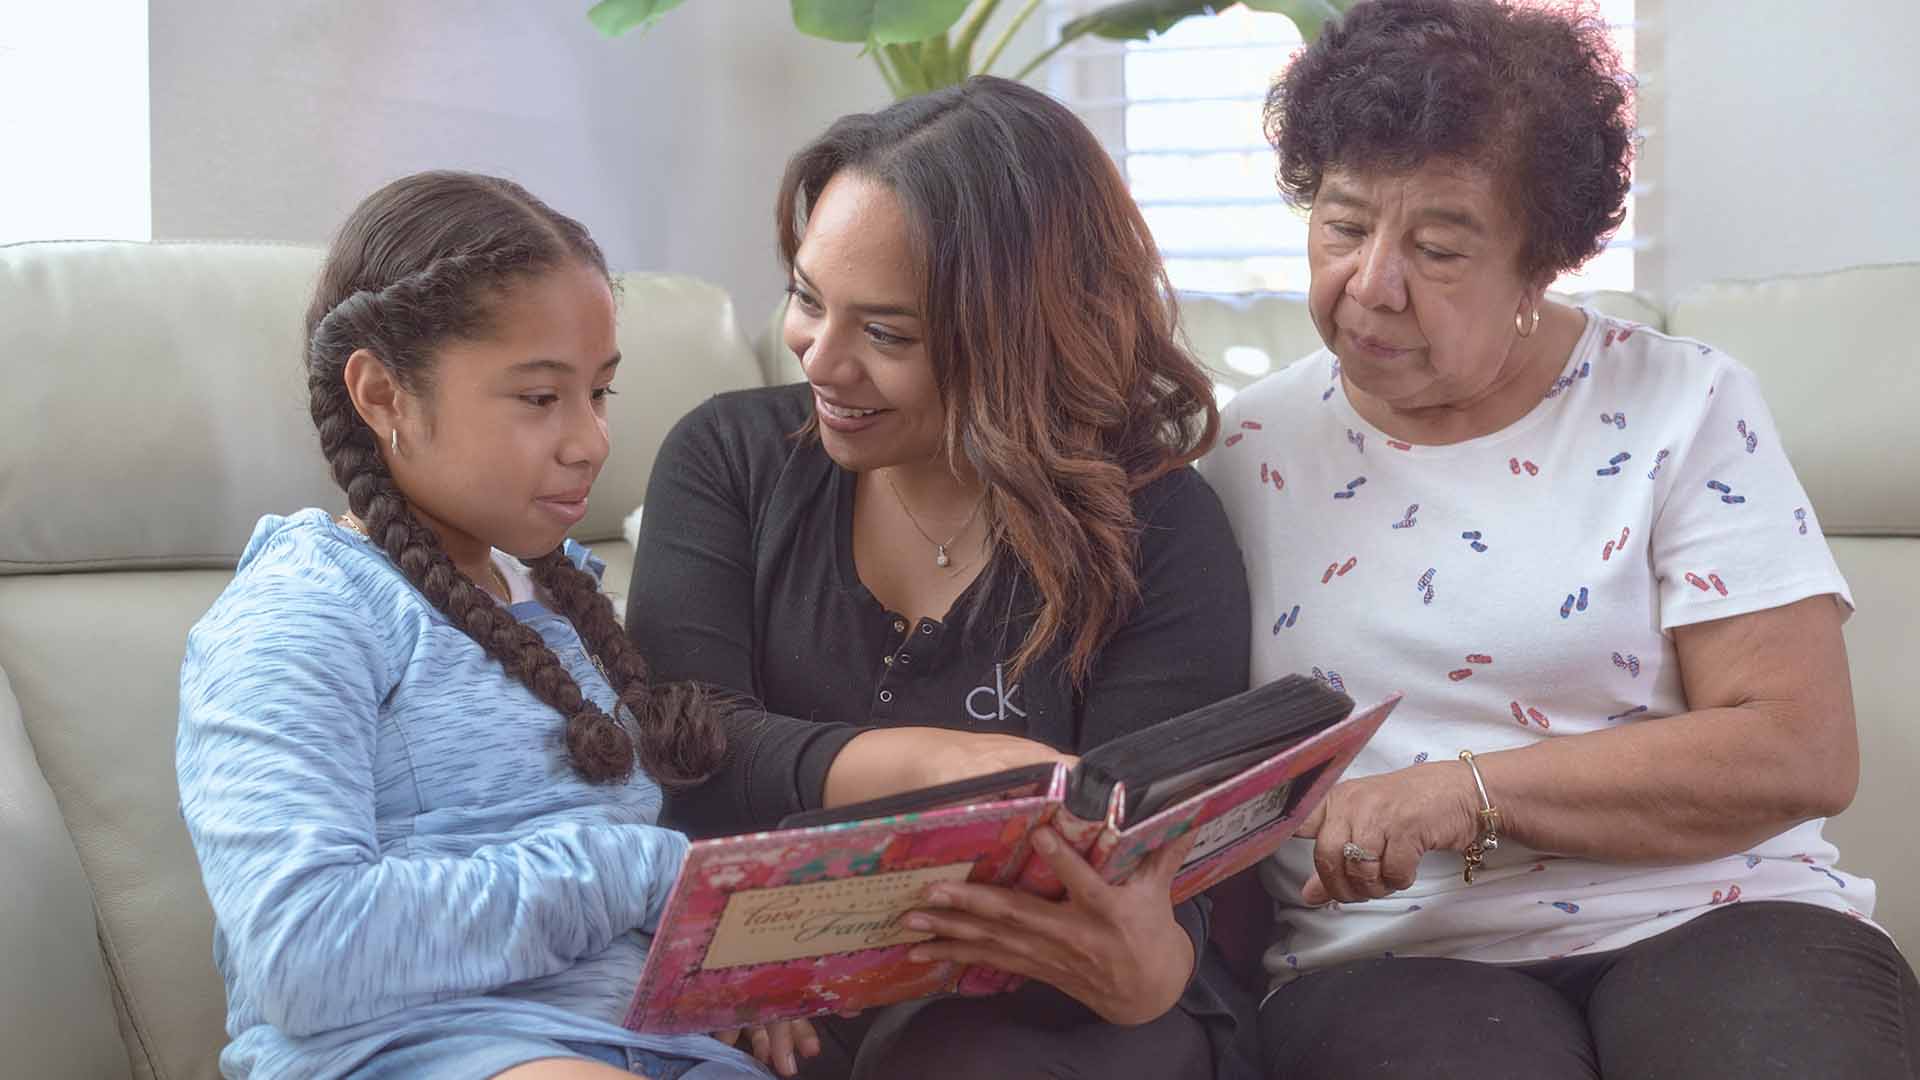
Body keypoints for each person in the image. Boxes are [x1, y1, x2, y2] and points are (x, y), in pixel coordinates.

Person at [1195, 2, 1920, 1076]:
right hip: (1393, 956)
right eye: (1344, 225)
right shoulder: (1241, 451)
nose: (1371, 284)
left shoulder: (1684, 405)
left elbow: (1798, 747)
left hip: (1720, 913)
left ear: (1544, 262)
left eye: (1438, 247)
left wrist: (1466, 790)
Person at [626, 76, 1255, 1080]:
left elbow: (1136, 875)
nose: (821, 361)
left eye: (887, 334)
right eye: (805, 298)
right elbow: (682, 742)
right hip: (765, 1000)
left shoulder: (1158, 532)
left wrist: (1141, 966)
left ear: (1022, 337)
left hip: (1058, 1015)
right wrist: (928, 769)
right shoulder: (728, 459)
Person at [176, 171, 772, 1079]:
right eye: (540, 398)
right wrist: (642, 877)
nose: (591, 441)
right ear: (381, 395)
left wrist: (725, 968)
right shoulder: (298, 615)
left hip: (646, 1041)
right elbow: (301, 951)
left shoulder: (563, 595)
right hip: (410, 1049)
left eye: (600, 393)